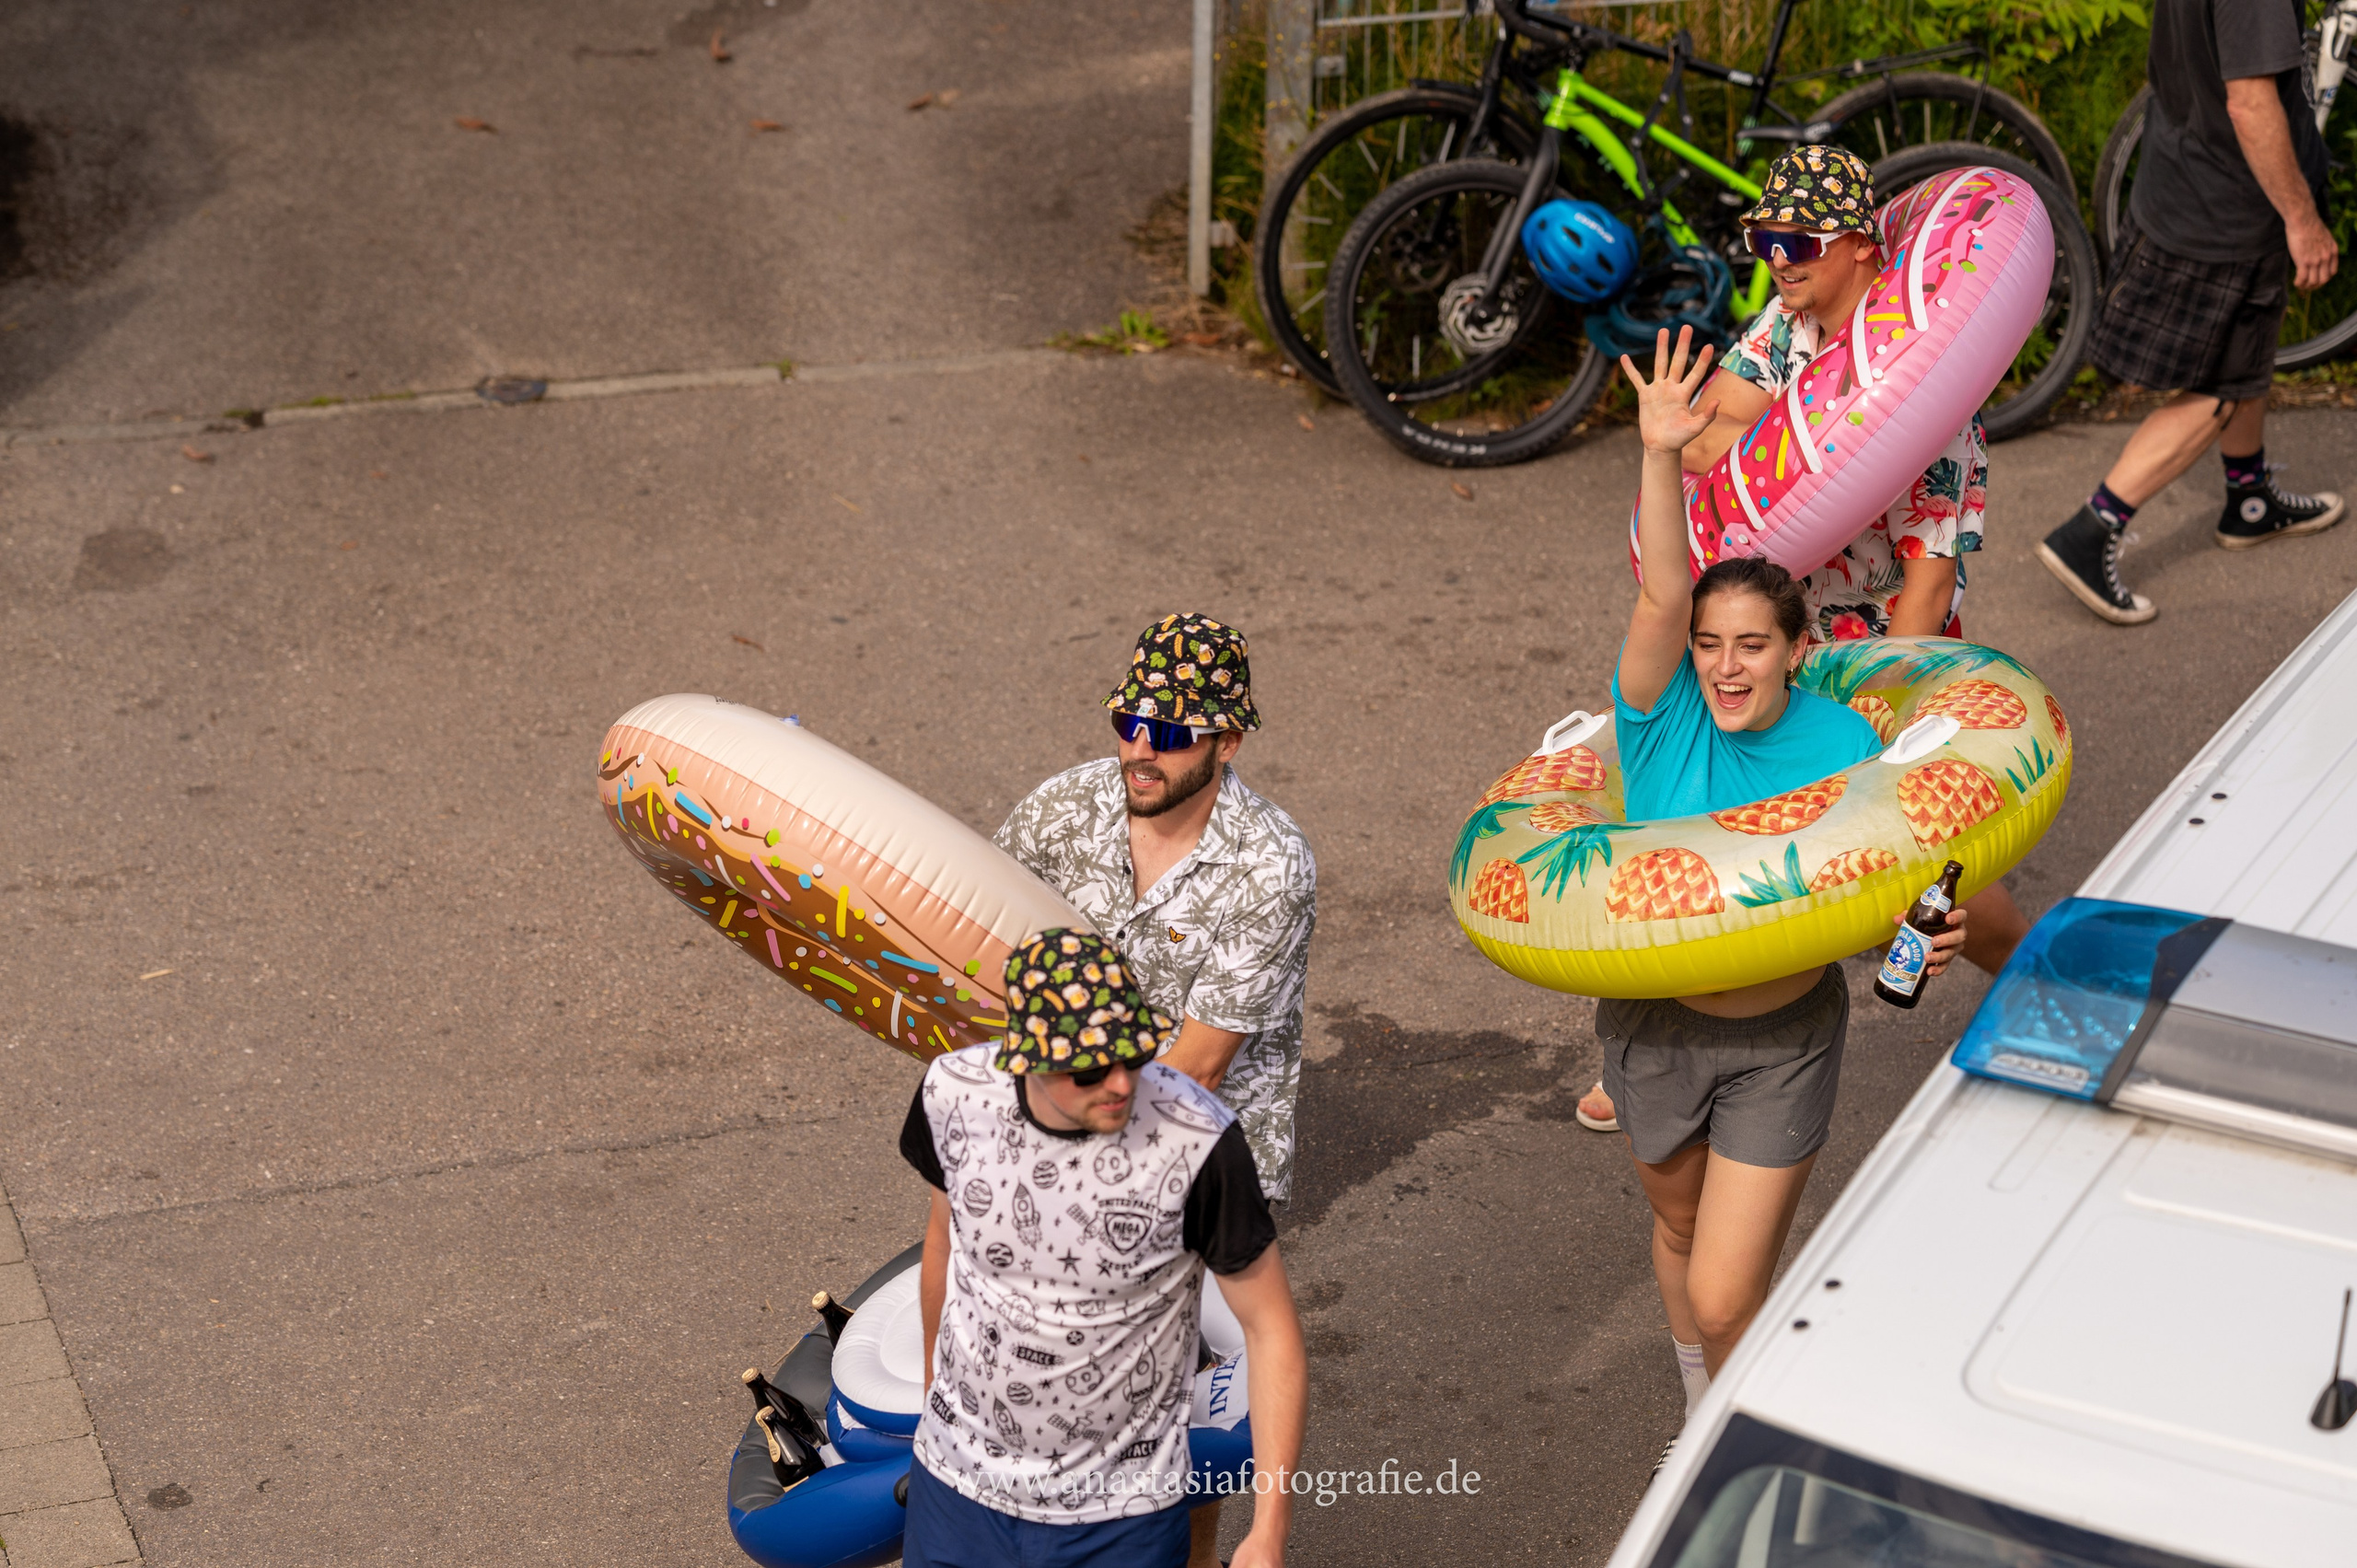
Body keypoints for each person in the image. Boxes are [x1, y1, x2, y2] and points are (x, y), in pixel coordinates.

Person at [1569, 146, 2026, 1139]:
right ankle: (1667, 1035)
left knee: (1920, 852)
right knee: (1727, 806)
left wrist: (1875, 726)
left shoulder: (1927, 385)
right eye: (1760, 241)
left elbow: (1928, 578)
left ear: (1864, 246)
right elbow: (1701, 433)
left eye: (1797, 244)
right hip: (1775, 624)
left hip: (1877, 636)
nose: (1775, 261)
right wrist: (1797, 435)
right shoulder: (1786, 323)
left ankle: (2030, 965)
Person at [1610, 326, 1968, 1458]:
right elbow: (1664, 588)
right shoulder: (1654, 708)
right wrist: (1663, 453)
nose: (1723, 664)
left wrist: (1921, 942)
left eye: (1751, 645)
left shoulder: (1841, 739)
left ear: (1796, 648)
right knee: (1675, 1228)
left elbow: (1879, 885)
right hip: (1651, 1025)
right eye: (1709, 643)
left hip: (1782, 1035)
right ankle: (1694, 1402)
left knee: (1725, 1289)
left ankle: (1743, 1451)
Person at [993, 613, 1315, 1566]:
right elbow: (980, 937)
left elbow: (1197, 1065)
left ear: (1226, 740)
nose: (1141, 746)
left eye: (1171, 732)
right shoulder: (1060, 809)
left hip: (1200, 1162)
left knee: (1183, 1420)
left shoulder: (1270, 865)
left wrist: (1068, 1160)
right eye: (1129, 719)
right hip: (1058, 1131)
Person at [900, 930, 1307, 1568]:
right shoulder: (951, 1095)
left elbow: (1271, 1328)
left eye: (1135, 1053)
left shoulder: (1197, 1142)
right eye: (1090, 1067)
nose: (1121, 1082)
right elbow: (941, 1245)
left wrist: (1269, 1528)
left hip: (1121, 1518)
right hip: (958, 1491)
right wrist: (930, 1403)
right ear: (1026, 1055)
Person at [2038, 0, 2343, 625]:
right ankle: (2089, 533)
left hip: (2182, 174)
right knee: (2221, 391)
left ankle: (2249, 498)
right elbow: (2250, 103)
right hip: (2226, 207)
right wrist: (2302, 219)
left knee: (2246, 358)